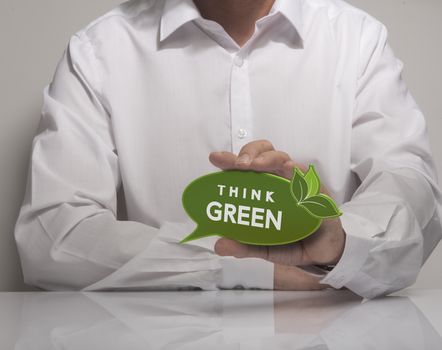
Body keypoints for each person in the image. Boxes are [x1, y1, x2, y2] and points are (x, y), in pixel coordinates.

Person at [14, 0, 442, 298]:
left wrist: (339, 238)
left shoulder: (357, 41)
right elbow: (52, 235)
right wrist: (232, 263)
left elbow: (413, 189)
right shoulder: (97, 52)